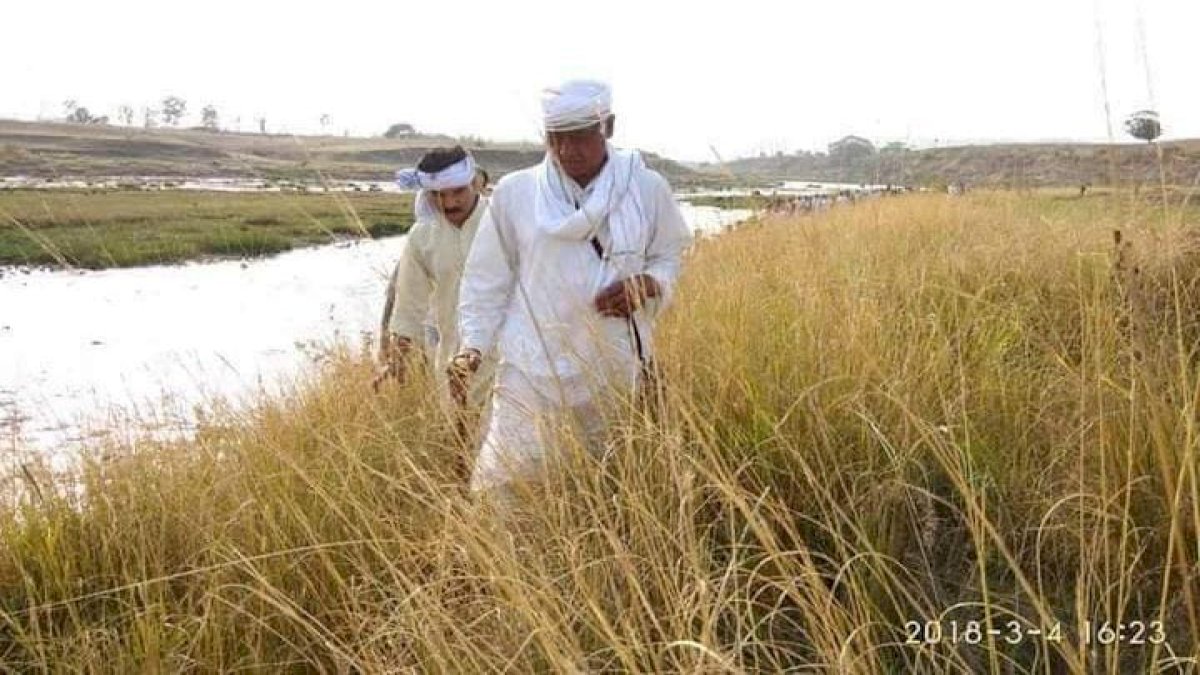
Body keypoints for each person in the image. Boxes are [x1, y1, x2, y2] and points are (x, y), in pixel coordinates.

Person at [450, 79, 693, 495]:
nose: (567, 151)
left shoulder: (646, 188)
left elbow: (670, 254)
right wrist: (473, 346)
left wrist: (651, 283)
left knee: (609, 477)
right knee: (508, 478)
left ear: (609, 127)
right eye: (555, 139)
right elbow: (487, 280)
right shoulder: (515, 193)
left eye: (580, 136)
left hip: (612, 359)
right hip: (529, 359)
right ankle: (509, 560)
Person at [375, 146, 494, 414]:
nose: (449, 203)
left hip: (509, 359)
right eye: (439, 195)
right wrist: (398, 358)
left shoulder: (500, 221)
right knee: (460, 445)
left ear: (475, 183)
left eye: (457, 191)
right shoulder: (423, 236)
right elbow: (409, 303)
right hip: (453, 362)